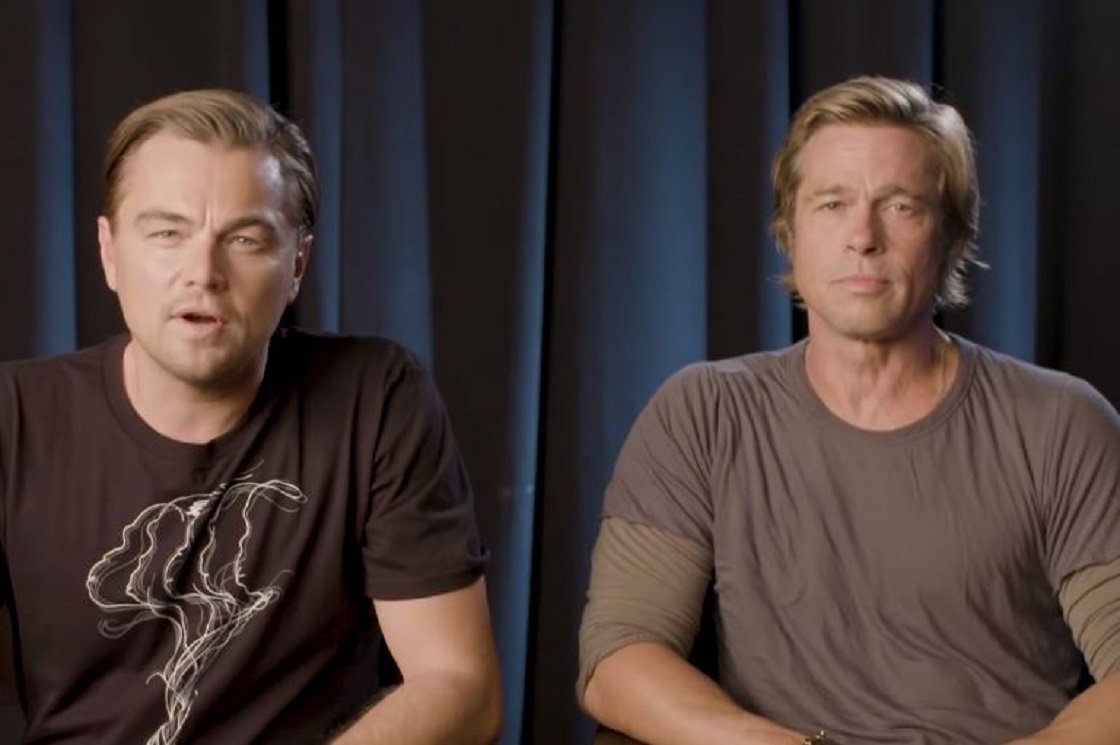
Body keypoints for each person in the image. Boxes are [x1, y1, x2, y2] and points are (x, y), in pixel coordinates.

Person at [577, 75, 1120, 744]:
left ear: (953, 237)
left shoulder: (1060, 422)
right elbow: (619, 657)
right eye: (832, 204)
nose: (863, 236)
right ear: (790, 233)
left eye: (900, 206)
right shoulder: (703, 413)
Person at [0, 89, 501, 744]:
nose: (202, 273)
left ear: (296, 266)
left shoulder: (376, 397)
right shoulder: (14, 418)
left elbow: (459, 685)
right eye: (167, 233)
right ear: (109, 252)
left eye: (243, 239)